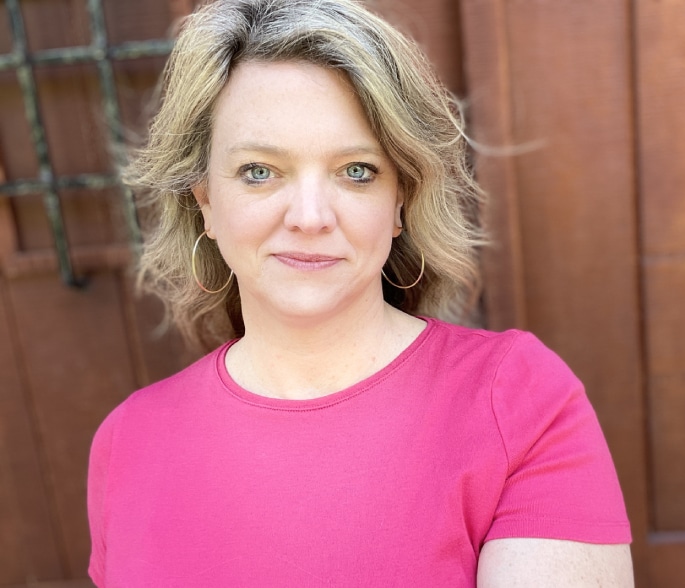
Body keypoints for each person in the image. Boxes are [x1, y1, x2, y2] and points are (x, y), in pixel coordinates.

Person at [87, 0, 634, 585]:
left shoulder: (518, 401)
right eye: (258, 171)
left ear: (400, 200)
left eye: (356, 171)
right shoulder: (128, 442)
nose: (310, 216)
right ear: (205, 203)